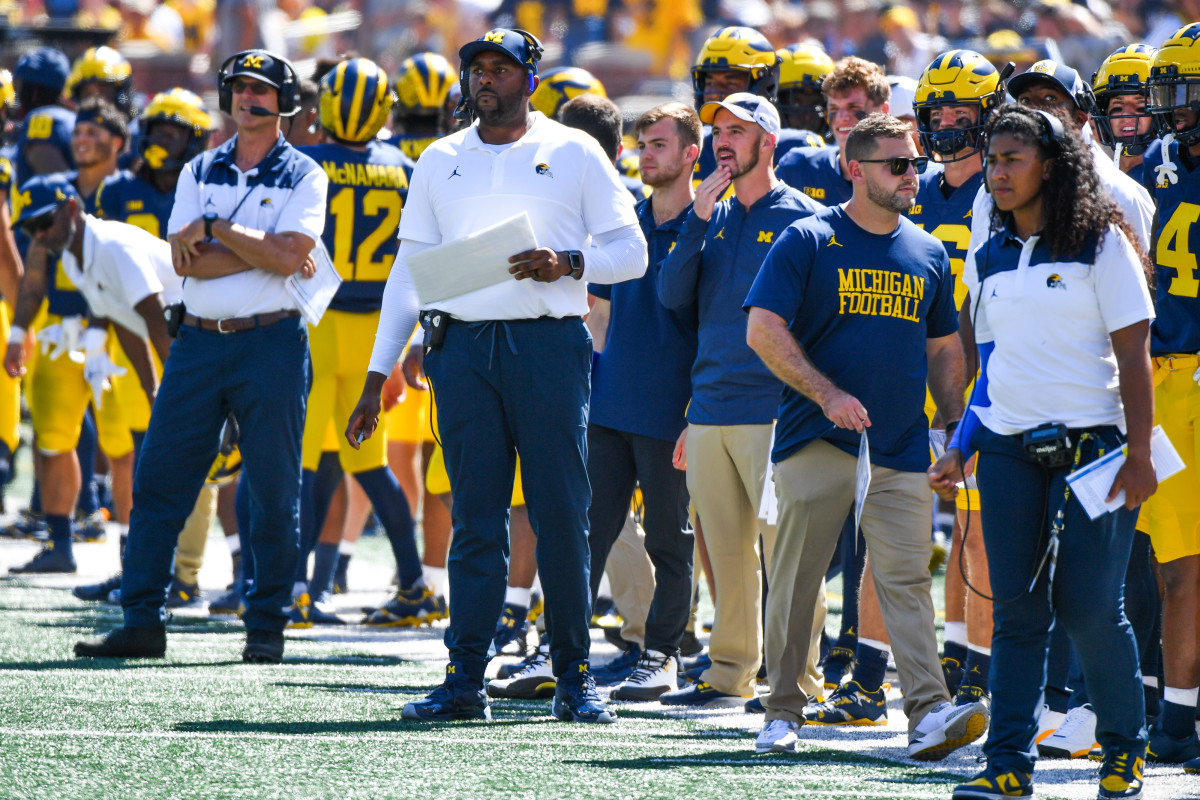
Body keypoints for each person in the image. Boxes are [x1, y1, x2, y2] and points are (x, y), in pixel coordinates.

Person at [348, 28, 646, 724]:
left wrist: (568, 262)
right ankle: (463, 679)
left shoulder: (573, 150)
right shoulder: (438, 159)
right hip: (461, 352)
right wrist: (377, 370)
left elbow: (630, 254)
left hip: (547, 346)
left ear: (531, 80)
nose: (486, 79)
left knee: (560, 514)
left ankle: (574, 676)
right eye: (477, 69)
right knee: (474, 519)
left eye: (501, 69)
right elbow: (408, 272)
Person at [929, 103, 1154, 800]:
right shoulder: (989, 249)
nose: (996, 172)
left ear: (1051, 167)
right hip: (1007, 447)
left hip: (1098, 448)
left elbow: (1134, 352)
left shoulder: (1102, 244)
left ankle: (1124, 750)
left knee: (1089, 608)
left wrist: (1140, 454)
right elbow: (990, 361)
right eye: (992, 160)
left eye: (1012, 159)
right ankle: (1006, 765)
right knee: (1019, 611)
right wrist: (961, 442)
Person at [73, 48, 328, 664]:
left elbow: (291, 255)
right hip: (196, 339)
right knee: (160, 478)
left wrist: (216, 230)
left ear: (283, 101)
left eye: (262, 89)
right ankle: (141, 620)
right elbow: (187, 259)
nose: (249, 98)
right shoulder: (199, 169)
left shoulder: (306, 174)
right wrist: (258, 248)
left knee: (272, 489)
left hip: (271, 340)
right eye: (240, 87)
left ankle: (264, 624)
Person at [746, 112, 977, 762]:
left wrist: (954, 423)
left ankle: (928, 712)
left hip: (900, 447)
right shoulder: (808, 238)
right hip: (816, 437)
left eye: (915, 164)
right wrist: (826, 393)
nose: (913, 176)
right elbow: (762, 329)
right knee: (797, 580)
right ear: (855, 168)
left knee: (905, 580)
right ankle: (783, 709)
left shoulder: (928, 250)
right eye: (897, 165)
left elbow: (942, 349)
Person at [655, 93, 822, 709]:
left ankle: (797, 680)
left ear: (768, 142)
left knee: (788, 560)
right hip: (710, 410)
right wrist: (695, 220)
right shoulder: (712, 215)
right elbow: (673, 297)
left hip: (776, 413)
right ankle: (729, 672)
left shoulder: (807, 219)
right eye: (718, 130)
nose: (723, 140)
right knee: (726, 558)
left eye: (738, 130)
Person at [293, 57, 431, 628]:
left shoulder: (306, 164)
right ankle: (415, 582)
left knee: (305, 463)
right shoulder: (403, 167)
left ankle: (288, 586)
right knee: (368, 464)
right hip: (378, 331)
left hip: (319, 324)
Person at [72, 88, 221, 607]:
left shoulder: (205, 186)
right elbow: (99, 269)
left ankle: (189, 574)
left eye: (174, 133)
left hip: (196, 330)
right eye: (156, 131)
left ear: (193, 139)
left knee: (204, 460)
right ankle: (136, 569)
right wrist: (94, 333)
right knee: (137, 457)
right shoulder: (118, 190)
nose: (162, 142)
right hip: (134, 332)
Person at [583, 100, 700, 702]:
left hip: (671, 413)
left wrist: (694, 411)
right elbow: (597, 315)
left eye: (658, 144)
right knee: (587, 532)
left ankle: (662, 656)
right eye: (642, 144)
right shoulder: (623, 219)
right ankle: (564, 649)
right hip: (609, 407)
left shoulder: (714, 227)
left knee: (669, 541)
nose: (645, 154)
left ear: (690, 154)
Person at [5, 99, 130, 574]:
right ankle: (60, 542)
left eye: (95, 132)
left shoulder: (130, 190)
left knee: (124, 445)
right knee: (52, 439)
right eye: (79, 132)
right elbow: (36, 268)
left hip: (118, 331)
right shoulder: (52, 192)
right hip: (59, 329)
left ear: (118, 142)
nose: (83, 139)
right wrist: (19, 329)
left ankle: (130, 551)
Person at [1140, 22, 1200, 768]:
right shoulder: (1152, 165)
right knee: (1175, 561)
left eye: (1187, 93)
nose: (1174, 109)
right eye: (1169, 94)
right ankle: (1179, 716)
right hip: (1166, 378)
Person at [776, 56, 891, 207]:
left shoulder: (903, 174)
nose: (842, 117)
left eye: (853, 107)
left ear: (883, 111)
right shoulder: (797, 167)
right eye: (834, 109)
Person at [690, 26, 782, 184]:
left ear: (765, 85)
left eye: (730, 84)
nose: (714, 94)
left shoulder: (789, 151)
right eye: (710, 83)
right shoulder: (690, 148)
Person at [1091, 45, 1158, 185]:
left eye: (1140, 106)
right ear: (1103, 112)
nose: (1127, 115)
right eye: (1117, 107)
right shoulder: (1096, 174)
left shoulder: (1176, 178)